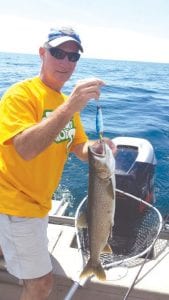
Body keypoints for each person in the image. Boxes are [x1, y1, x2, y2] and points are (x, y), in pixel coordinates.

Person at [0, 26, 116, 299]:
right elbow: (26, 149)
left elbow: (78, 146)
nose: (65, 62)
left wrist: (96, 148)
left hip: (40, 201)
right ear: (42, 53)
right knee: (41, 284)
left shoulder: (65, 103)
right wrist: (70, 106)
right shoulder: (21, 95)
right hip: (16, 203)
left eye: (73, 57)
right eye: (58, 53)